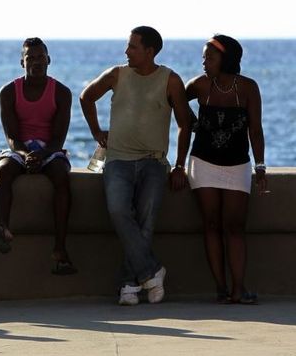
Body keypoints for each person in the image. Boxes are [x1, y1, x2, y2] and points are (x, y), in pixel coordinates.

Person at [79, 26, 192, 305]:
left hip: (154, 162)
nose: (126, 51)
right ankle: (153, 271)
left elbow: (185, 124)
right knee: (118, 211)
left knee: (146, 221)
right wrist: (96, 132)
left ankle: (129, 284)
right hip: (118, 159)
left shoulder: (171, 80)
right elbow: (86, 96)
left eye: (132, 47)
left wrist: (179, 165)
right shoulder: (117, 74)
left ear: (149, 51)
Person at [185, 34, 267, 304]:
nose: (204, 62)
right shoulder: (198, 85)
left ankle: (238, 289)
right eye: (204, 57)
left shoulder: (247, 88)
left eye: (210, 57)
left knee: (234, 227)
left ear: (226, 59)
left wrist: (260, 166)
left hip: (237, 165)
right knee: (210, 224)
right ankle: (221, 288)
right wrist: (192, 121)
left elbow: (255, 130)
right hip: (202, 163)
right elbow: (175, 100)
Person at [0, 37, 76, 275]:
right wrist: (26, 154)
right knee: (4, 170)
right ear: (21, 62)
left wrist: (42, 154)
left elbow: (59, 139)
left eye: (40, 57)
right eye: (30, 58)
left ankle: (60, 248)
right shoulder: (8, 92)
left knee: (61, 176)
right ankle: (3, 227)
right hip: (21, 149)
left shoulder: (61, 93)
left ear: (49, 60)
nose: (36, 62)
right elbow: (12, 137)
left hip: (49, 149)